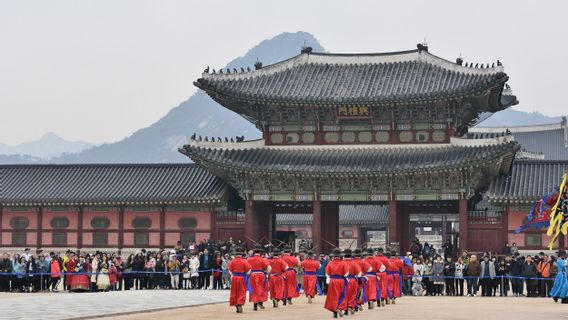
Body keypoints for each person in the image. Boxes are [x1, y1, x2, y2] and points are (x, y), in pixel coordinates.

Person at [324, 248, 349, 318]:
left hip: (332, 281)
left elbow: (327, 273)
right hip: (341, 280)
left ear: (333, 256)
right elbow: (346, 273)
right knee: (341, 295)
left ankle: (335, 313)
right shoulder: (343, 263)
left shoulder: (330, 263)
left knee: (333, 296)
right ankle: (339, 307)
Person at [228, 247, 251, 313]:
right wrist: (245, 274)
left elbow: (230, 270)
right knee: (242, 291)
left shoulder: (232, 261)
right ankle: (239, 303)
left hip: (235, 278)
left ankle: (236, 304)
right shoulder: (244, 261)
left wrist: (233, 275)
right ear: (242, 254)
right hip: (242, 278)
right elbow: (249, 271)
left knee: (234, 291)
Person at [247, 245, 270, 311]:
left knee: (253, 289)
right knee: (261, 289)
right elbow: (269, 268)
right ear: (260, 252)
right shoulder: (263, 259)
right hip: (261, 275)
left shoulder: (249, 259)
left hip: (253, 275)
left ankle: (255, 305)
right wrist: (266, 273)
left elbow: (247, 269)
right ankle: (260, 302)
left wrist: (248, 274)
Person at [341, 249, 361, 316]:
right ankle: (350, 306)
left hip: (343, 280)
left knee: (344, 295)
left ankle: (345, 310)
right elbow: (359, 274)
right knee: (352, 294)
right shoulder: (354, 263)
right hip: (352, 280)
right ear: (351, 256)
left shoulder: (342, 263)